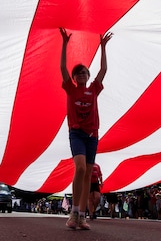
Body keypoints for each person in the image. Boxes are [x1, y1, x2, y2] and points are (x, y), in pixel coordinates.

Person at [59, 27, 112, 230]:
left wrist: (103, 47)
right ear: (74, 78)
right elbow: (63, 68)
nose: (81, 74)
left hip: (93, 135)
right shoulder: (71, 90)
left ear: (88, 76)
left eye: (84, 72)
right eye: (78, 73)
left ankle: (81, 216)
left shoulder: (93, 90)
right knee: (80, 168)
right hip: (77, 133)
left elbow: (103, 71)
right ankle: (73, 214)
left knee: (88, 174)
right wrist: (65, 44)